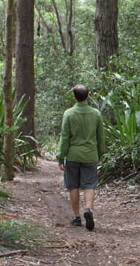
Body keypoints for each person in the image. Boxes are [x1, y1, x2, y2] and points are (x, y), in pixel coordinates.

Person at [57, 84, 105, 231]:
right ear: (87, 96)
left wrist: (61, 157)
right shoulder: (96, 114)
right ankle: (88, 209)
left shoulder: (69, 114)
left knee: (73, 185)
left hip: (73, 155)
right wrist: (100, 154)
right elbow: (100, 137)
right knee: (89, 184)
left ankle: (77, 217)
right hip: (90, 154)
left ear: (74, 97)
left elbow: (65, 137)